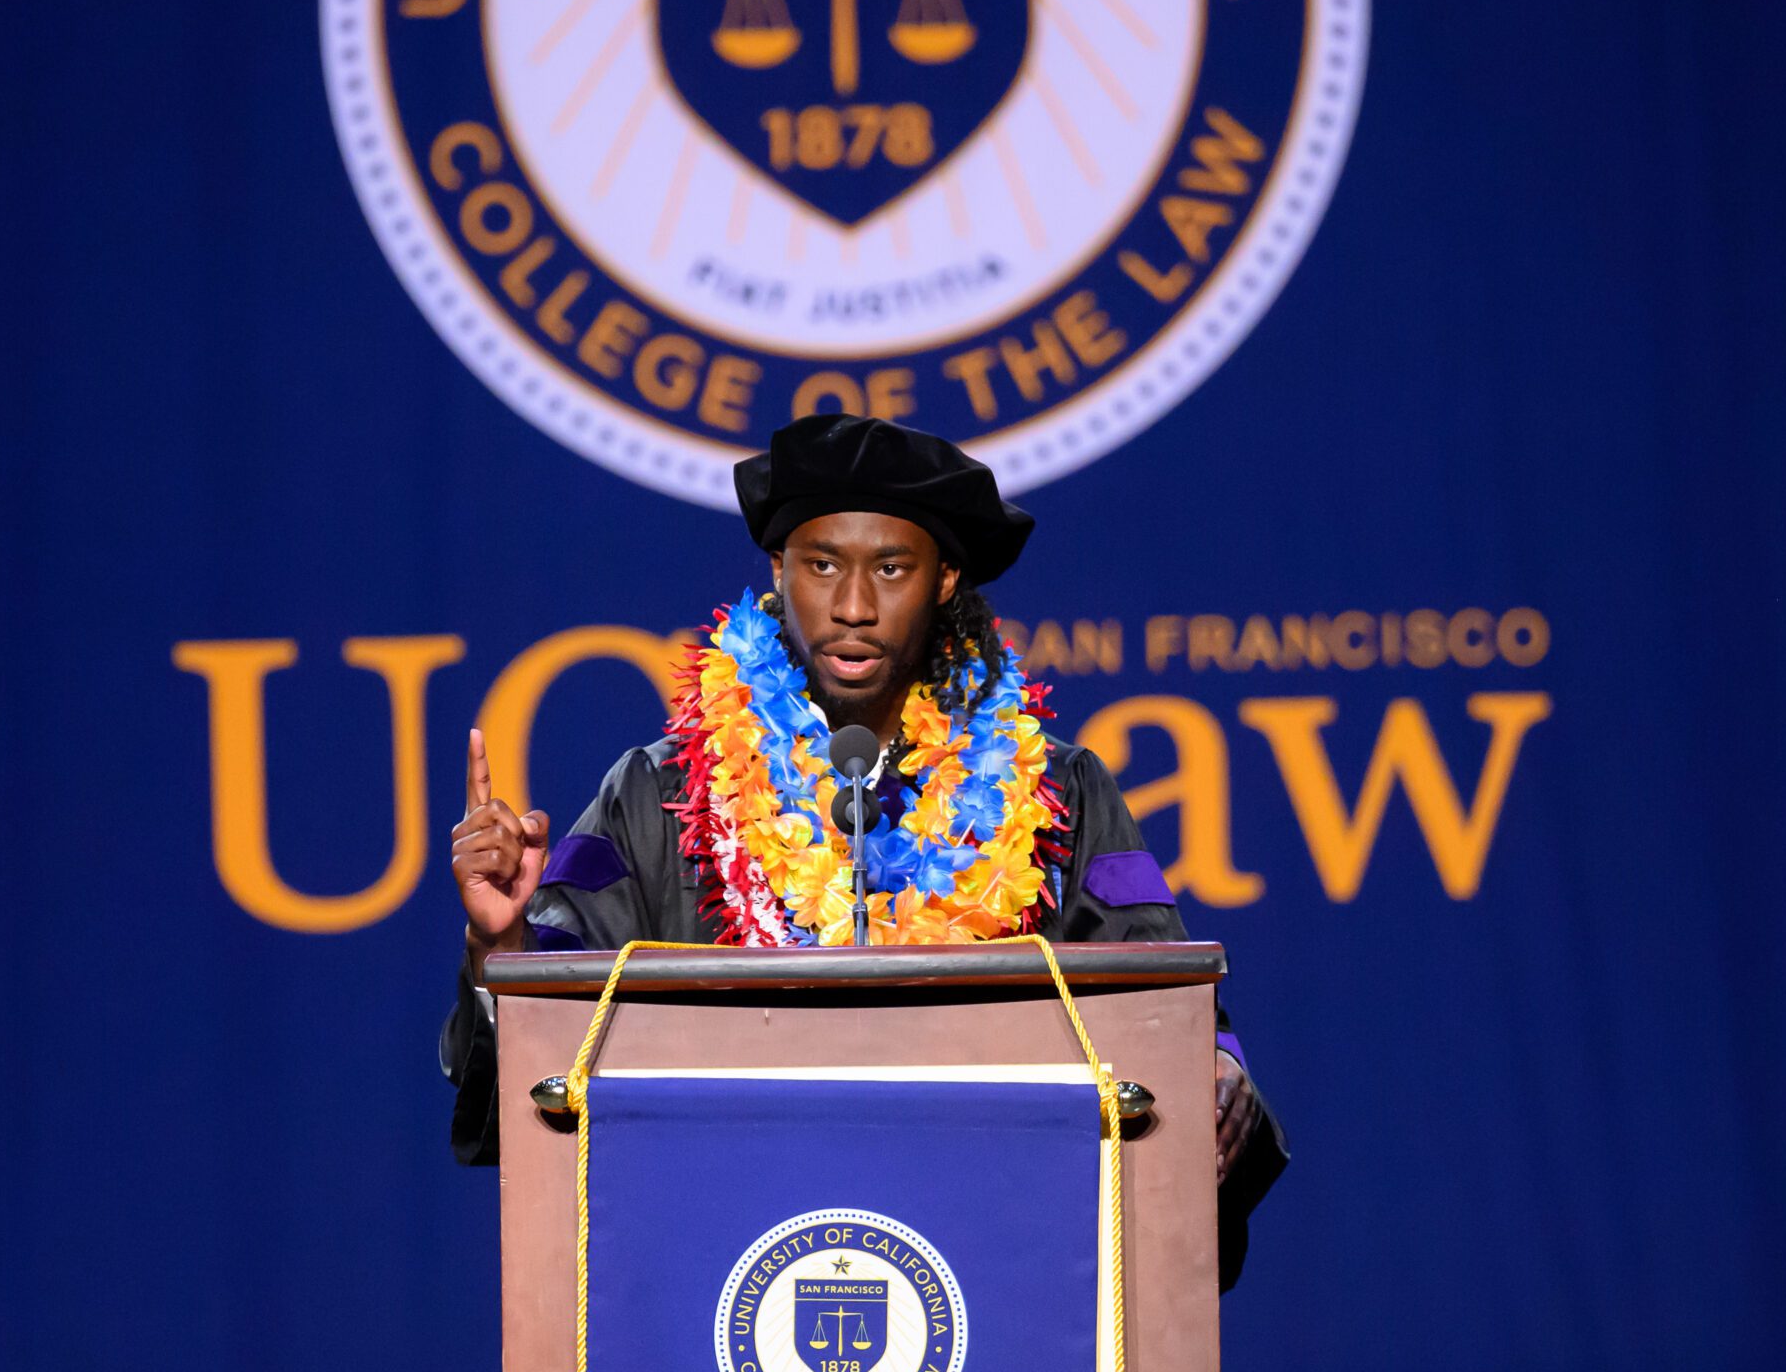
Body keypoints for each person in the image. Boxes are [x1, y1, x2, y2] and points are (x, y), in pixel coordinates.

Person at [440, 413, 1288, 1284]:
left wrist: (1215, 1074)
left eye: (890, 568)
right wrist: (498, 947)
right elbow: (543, 1083)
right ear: (776, 571)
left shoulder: (1055, 796)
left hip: (1000, 1266)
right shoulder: (659, 797)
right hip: (714, 1268)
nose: (852, 605)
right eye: (820, 565)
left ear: (947, 578)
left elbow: (1162, 1004)